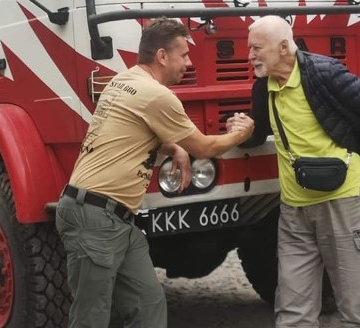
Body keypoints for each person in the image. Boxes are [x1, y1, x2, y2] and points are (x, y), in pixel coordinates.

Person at [55, 17, 254, 328]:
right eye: (184, 55)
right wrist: (242, 132)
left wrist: (173, 147)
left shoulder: (122, 81)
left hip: (117, 219)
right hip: (94, 218)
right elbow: (205, 147)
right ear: (162, 56)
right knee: (90, 319)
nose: (188, 63)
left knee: (148, 306)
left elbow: (126, 133)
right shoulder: (157, 95)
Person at [240, 15, 360, 327]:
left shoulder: (325, 73)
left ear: (284, 47)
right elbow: (259, 133)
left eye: (256, 48)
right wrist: (243, 129)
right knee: (292, 311)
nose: (250, 56)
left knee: (356, 311)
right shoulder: (264, 86)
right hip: (294, 210)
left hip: (342, 203)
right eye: (249, 49)